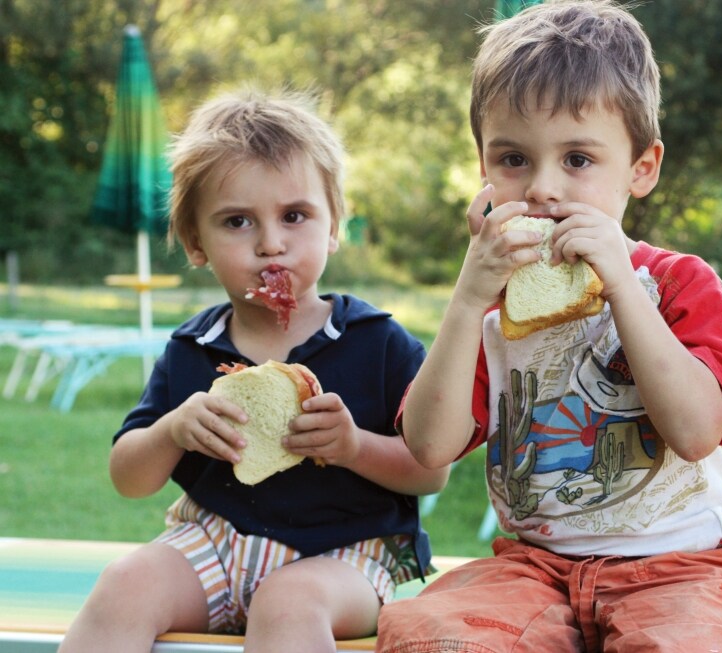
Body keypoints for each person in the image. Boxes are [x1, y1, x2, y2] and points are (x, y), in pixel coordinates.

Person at [376, 1, 722, 651]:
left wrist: (621, 284)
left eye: (578, 160)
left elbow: (697, 430)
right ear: (482, 164)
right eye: (513, 158)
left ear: (641, 167)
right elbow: (429, 443)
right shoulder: (492, 303)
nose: (542, 188)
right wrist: (465, 299)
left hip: (682, 568)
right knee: (433, 631)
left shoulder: (680, 284)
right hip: (532, 568)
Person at [59, 89, 449, 653]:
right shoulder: (194, 346)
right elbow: (129, 478)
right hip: (214, 543)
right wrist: (172, 430)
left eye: (295, 216)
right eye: (237, 221)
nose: (271, 244)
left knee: (288, 604)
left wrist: (353, 446)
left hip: (344, 556)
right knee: (125, 583)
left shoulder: (380, 342)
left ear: (333, 225)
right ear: (197, 244)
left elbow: (430, 472)